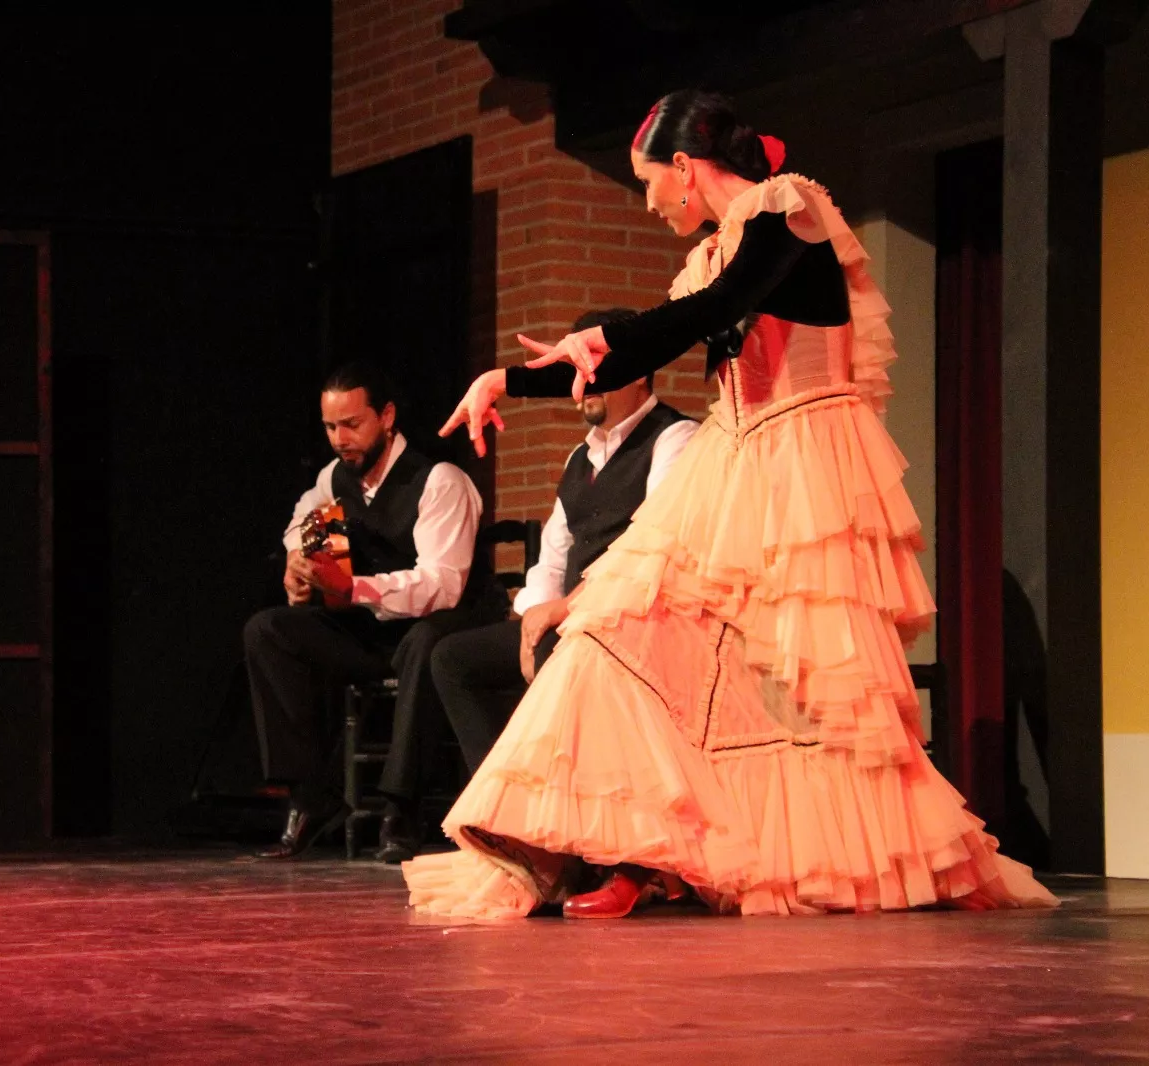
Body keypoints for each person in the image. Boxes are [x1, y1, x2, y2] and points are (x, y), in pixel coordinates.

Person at [405, 90, 1056, 919]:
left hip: (802, 462)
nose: (648, 203)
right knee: (616, 631)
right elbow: (655, 339)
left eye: (648, 183)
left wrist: (616, 338)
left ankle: (834, 859)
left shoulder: (788, 210)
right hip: (734, 463)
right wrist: (509, 379)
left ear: (683, 169)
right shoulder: (708, 257)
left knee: (807, 690)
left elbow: (709, 313)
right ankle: (627, 849)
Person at [246, 361, 504, 863]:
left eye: (352, 425)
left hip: (439, 629)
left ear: (386, 417)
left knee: (427, 642)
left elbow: (441, 586)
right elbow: (303, 521)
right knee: (269, 630)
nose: (340, 439)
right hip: (372, 631)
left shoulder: (438, 481)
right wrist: (302, 563)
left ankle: (400, 810)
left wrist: (351, 585)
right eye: (330, 427)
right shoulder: (335, 478)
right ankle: (313, 797)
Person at [430, 309, 696, 776]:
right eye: (575, 368)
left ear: (639, 374)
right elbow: (554, 554)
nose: (582, 380)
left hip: (630, 622)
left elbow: (653, 553)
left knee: (560, 644)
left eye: (592, 364)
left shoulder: (675, 437)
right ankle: (505, 796)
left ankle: (554, 809)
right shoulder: (581, 455)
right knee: (453, 659)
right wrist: (534, 613)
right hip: (566, 621)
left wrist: (560, 612)